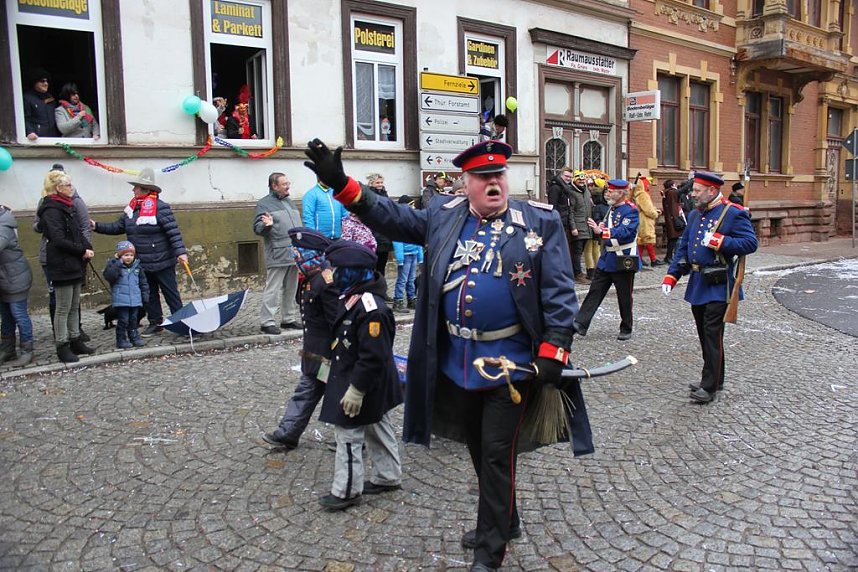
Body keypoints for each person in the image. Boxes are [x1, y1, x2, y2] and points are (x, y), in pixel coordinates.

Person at [303, 138, 591, 572]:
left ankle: (488, 553)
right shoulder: (444, 215)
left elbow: (559, 292)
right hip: (457, 361)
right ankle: (506, 519)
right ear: (466, 181)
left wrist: (553, 350)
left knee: (496, 455)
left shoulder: (538, 223)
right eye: (482, 177)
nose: (493, 183)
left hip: (510, 367)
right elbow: (392, 217)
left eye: (498, 175)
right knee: (477, 446)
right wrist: (342, 184)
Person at [316, 240, 403, 511]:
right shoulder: (354, 297)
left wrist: (356, 390)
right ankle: (388, 476)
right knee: (378, 426)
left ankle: (347, 491)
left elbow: (373, 356)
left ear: (353, 272)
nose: (334, 274)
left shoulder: (371, 309)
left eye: (339, 270)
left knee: (349, 435)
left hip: (364, 383)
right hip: (363, 379)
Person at [661, 171, 758, 403]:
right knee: (705, 335)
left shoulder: (732, 213)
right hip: (698, 283)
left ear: (711, 191)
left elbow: (750, 243)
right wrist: (672, 275)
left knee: (712, 334)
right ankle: (717, 377)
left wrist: (720, 242)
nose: (692, 194)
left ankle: (709, 386)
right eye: (693, 190)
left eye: (697, 191)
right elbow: (684, 246)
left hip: (719, 283)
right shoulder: (695, 215)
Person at [262, 227, 339, 450]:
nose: (295, 255)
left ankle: (350, 438)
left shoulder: (325, 283)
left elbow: (337, 321)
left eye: (298, 251)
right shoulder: (309, 279)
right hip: (315, 352)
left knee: (340, 394)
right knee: (308, 390)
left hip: (329, 353)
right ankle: (288, 432)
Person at [93, 168, 188, 337]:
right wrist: (96, 226)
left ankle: (181, 322)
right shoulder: (131, 209)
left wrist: (181, 252)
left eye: (136, 187)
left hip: (162, 260)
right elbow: (118, 227)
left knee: (170, 293)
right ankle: (156, 323)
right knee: (149, 294)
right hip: (142, 261)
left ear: (145, 189)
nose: (133, 190)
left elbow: (173, 232)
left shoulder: (161, 207)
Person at [37, 171, 95, 363]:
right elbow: (59, 239)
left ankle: (75, 339)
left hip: (74, 263)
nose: (72, 188)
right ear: (57, 188)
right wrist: (81, 251)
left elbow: (77, 231)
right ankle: (62, 345)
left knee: (73, 306)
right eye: (68, 185)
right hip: (61, 263)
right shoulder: (51, 210)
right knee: (62, 307)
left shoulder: (67, 206)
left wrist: (87, 247)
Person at [573, 179, 641, 341]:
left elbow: (626, 232)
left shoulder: (630, 211)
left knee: (624, 295)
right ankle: (581, 324)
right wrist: (601, 227)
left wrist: (601, 231)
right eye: (608, 191)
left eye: (611, 191)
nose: (608, 194)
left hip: (623, 258)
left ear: (621, 193)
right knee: (595, 291)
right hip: (607, 258)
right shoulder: (611, 209)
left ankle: (626, 327)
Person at [253, 172, 302, 334]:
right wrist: (267, 225)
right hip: (277, 253)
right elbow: (257, 229)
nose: (288, 186)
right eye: (284, 184)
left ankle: (288, 319)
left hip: (293, 252)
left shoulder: (289, 202)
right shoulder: (264, 204)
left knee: (291, 287)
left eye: (288, 183)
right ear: (274, 186)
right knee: (272, 289)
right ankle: (267, 322)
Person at [0, 204, 35, 367]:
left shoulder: (4, 225)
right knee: (6, 315)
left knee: (18, 314)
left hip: (15, 277)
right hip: (4, 278)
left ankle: (27, 350)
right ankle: (7, 349)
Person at [103, 241, 149, 348]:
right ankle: (121, 339)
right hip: (121, 300)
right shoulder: (114, 265)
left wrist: (145, 296)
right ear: (120, 255)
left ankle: (134, 336)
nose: (129, 257)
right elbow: (109, 276)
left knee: (133, 319)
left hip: (135, 299)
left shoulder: (137, 267)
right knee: (123, 320)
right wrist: (117, 263)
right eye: (126, 255)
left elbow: (143, 283)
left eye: (131, 255)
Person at [391, 200, 424, 313]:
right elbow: (398, 242)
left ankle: (411, 299)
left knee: (411, 279)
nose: (413, 207)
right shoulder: (399, 225)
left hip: (414, 255)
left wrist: (420, 257)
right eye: (411, 205)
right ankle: (398, 301)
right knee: (402, 280)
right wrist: (400, 259)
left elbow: (418, 240)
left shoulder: (413, 223)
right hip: (405, 257)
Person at [545, 167, 576, 272]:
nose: (568, 179)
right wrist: (556, 220)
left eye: (570, 177)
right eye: (566, 176)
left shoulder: (565, 187)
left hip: (564, 219)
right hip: (559, 221)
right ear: (560, 175)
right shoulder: (556, 187)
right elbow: (553, 206)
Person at [364, 174, 393, 275]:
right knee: (373, 265)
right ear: (372, 183)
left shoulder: (384, 194)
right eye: (377, 183)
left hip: (384, 233)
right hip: (373, 233)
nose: (380, 184)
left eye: (381, 182)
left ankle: (381, 285)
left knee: (382, 265)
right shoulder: (368, 195)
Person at [632, 176, 662, 268]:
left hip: (641, 218)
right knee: (648, 238)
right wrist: (655, 213)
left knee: (641, 240)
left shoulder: (637, 194)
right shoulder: (643, 195)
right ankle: (653, 260)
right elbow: (648, 209)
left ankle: (639, 260)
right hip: (645, 220)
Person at [569, 170, 593, 283]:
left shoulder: (586, 191)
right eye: (579, 179)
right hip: (578, 227)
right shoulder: (572, 192)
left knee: (581, 251)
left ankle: (577, 272)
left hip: (586, 227)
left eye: (583, 179)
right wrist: (573, 227)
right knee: (576, 252)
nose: (582, 181)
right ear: (575, 180)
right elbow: (571, 211)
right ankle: (577, 274)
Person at [23, 68, 60, 140]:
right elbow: (26, 118)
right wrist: (30, 132)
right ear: (34, 82)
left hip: (54, 139)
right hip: (37, 139)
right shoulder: (27, 98)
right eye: (42, 81)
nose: (46, 84)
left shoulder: (51, 99)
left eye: (47, 81)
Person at [583, 177, 607, 279]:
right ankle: (598, 269)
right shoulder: (605, 204)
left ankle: (591, 271)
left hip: (590, 225)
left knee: (588, 250)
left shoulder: (588, 195)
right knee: (596, 250)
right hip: (598, 227)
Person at [661, 179, 685, 264]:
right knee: (673, 239)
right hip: (673, 219)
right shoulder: (671, 192)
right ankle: (669, 257)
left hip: (670, 218)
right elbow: (682, 190)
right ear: (672, 185)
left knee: (672, 239)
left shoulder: (667, 193)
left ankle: (669, 256)